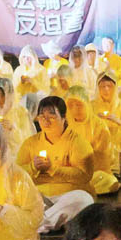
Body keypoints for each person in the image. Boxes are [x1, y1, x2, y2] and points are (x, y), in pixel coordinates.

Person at [24, 96, 96, 231]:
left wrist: (53, 169)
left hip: (68, 197)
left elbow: (85, 175)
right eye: (42, 116)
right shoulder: (30, 143)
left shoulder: (78, 143)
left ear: (64, 118)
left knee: (84, 199)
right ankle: (50, 220)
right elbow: (18, 174)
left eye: (51, 116)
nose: (45, 121)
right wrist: (33, 167)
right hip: (40, 198)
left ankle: (36, 224)